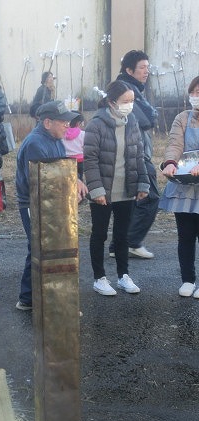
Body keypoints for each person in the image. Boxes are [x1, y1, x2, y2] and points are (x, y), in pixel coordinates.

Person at [15, 100, 88, 311]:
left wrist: (77, 179)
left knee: (46, 247)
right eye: (63, 121)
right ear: (47, 122)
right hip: (34, 203)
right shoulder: (36, 143)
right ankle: (37, 299)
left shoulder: (55, 138)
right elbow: (42, 181)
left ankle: (33, 297)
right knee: (41, 247)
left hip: (50, 202)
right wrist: (69, 191)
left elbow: (61, 165)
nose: (68, 125)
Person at [84, 80, 149, 296]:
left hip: (127, 189)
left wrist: (142, 182)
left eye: (132, 101)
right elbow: (90, 160)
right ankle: (99, 278)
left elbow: (139, 155)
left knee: (122, 235)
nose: (129, 105)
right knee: (99, 234)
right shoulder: (96, 124)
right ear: (112, 102)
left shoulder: (132, 123)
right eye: (125, 101)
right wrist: (97, 190)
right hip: (103, 191)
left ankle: (123, 276)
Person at [111, 50, 159, 259]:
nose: (146, 71)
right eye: (142, 67)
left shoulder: (129, 87)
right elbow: (148, 118)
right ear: (129, 70)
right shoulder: (128, 90)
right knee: (150, 196)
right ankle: (131, 241)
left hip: (133, 152)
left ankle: (120, 244)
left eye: (148, 67)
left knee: (132, 199)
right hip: (135, 154)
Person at [159, 75, 199, 298]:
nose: (196, 97)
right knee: (185, 235)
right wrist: (171, 163)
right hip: (185, 184)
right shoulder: (183, 117)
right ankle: (187, 279)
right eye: (194, 92)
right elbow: (175, 144)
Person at [62, 111, 86, 179]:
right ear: (78, 123)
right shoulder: (83, 134)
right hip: (80, 161)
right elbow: (85, 148)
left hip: (66, 161)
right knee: (79, 180)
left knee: (69, 180)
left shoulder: (62, 133)